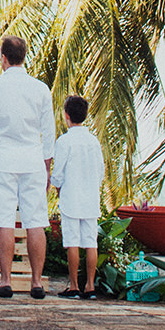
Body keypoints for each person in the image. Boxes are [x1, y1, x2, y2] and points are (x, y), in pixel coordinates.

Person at [0, 34, 54, 299]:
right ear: (24, 57)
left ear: (3, 58)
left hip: (3, 159)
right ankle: (36, 282)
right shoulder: (41, 88)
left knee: (4, 221)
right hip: (33, 159)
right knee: (36, 221)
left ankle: (6, 280)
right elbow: (49, 131)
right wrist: (46, 166)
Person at [50, 94, 106, 299]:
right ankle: (90, 286)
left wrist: (56, 187)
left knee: (72, 242)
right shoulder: (93, 141)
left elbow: (58, 173)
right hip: (90, 198)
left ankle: (73, 286)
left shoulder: (64, 141)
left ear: (66, 115)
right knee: (91, 242)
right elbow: (100, 171)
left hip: (71, 198)